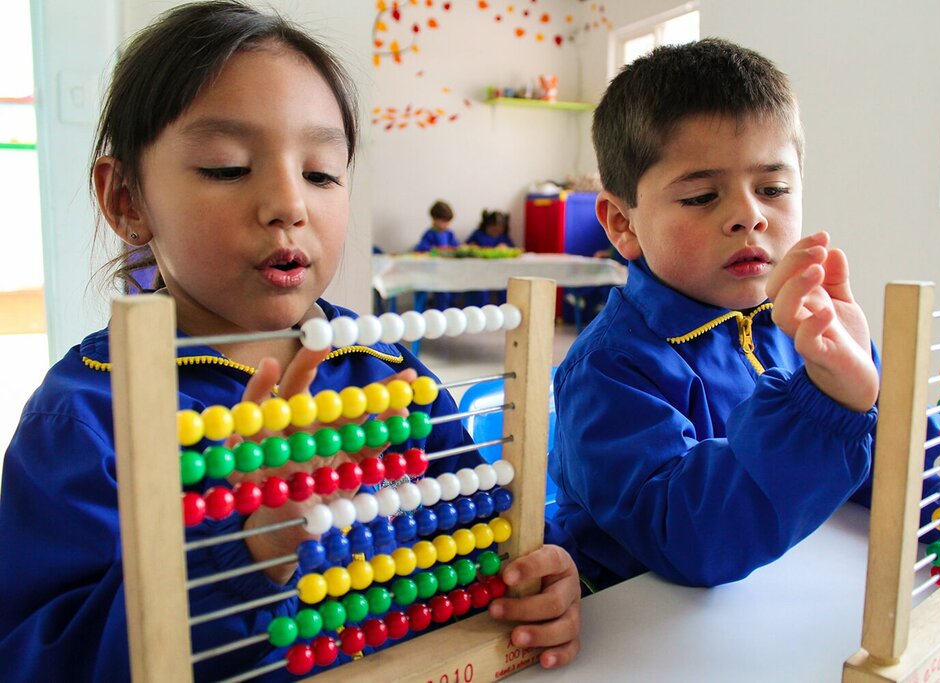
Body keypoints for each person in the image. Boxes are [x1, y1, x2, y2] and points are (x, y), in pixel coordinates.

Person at [0, 3, 580, 681]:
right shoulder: (87, 419)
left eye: (322, 173)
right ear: (127, 198)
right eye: (227, 167)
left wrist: (542, 581)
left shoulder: (385, 370)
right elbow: (39, 658)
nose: (288, 202)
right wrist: (247, 546)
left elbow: (476, 534)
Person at [549, 38, 940, 592]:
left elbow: (896, 454)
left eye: (772, 188)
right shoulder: (607, 370)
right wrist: (825, 404)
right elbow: (689, 538)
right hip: (635, 630)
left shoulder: (812, 326)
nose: (749, 216)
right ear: (622, 223)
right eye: (702, 196)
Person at [413, 201, 459, 308]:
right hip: (430, 270)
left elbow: (455, 247)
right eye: (443, 222)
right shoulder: (429, 234)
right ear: (434, 219)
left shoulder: (449, 233)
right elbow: (423, 250)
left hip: (446, 271)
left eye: (448, 222)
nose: (446, 225)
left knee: (446, 294)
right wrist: (435, 251)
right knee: (422, 292)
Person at [465, 210, 514, 307]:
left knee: (506, 287)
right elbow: (466, 247)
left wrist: (505, 248)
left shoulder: (503, 237)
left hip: (499, 272)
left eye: (499, 229)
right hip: (480, 272)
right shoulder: (478, 234)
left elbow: (512, 249)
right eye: (493, 228)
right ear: (486, 226)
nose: (495, 231)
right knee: (480, 290)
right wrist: (472, 247)